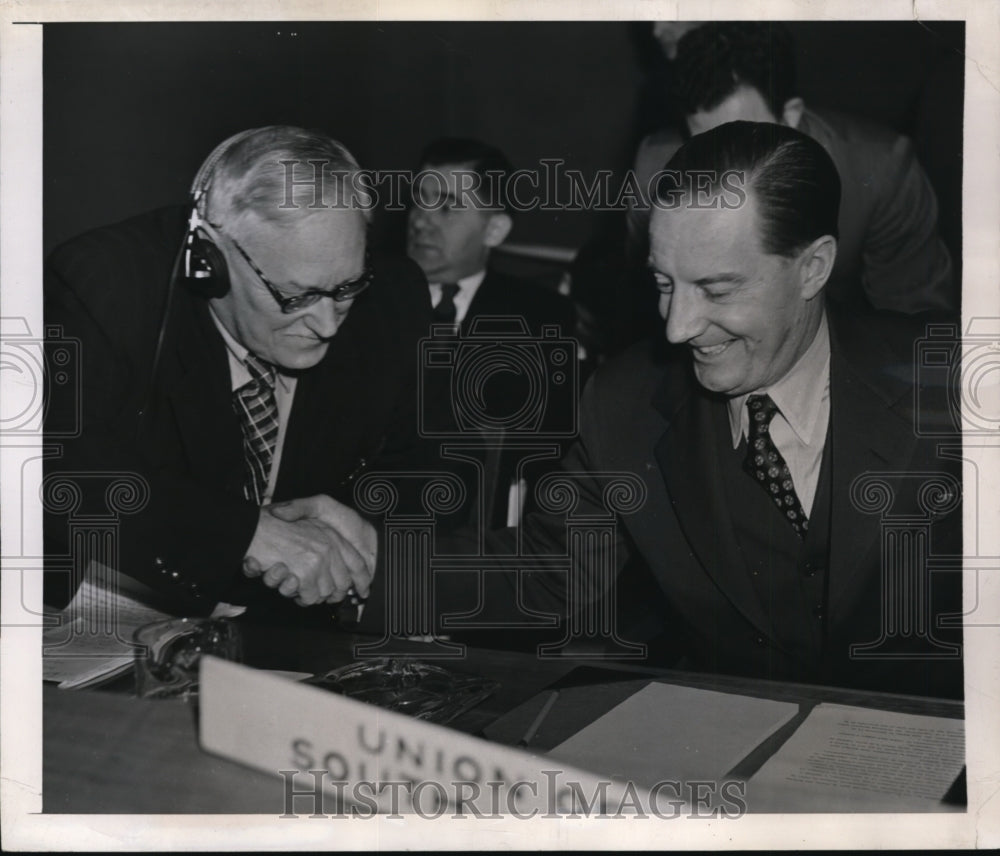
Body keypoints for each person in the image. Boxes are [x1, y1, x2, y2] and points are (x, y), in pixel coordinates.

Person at [304, 121, 961, 697]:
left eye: (716, 288)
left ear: (814, 267)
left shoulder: (952, 388)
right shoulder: (624, 400)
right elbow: (550, 571)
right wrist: (370, 560)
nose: (678, 327)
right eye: (663, 283)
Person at [44, 126, 431, 620]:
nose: (327, 322)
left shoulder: (395, 297)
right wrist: (246, 533)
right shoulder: (105, 281)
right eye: (297, 296)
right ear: (208, 260)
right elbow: (52, 458)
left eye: (346, 288)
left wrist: (362, 531)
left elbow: (419, 467)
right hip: (113, 615)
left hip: (299, 628)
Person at [628, 22, 956, 315]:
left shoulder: (883, 170)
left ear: (792, 114)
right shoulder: (656, 169)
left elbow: (912, 321)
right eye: (702, 145)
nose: (725, 167)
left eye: (747, 141)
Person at [406, 137, 576, 530]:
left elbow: (543, 447)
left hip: (480, 529)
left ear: (494, 229)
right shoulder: (369, 301)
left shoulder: (538, 316)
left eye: (447, 205)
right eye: (419, 199)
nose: (420, 220)